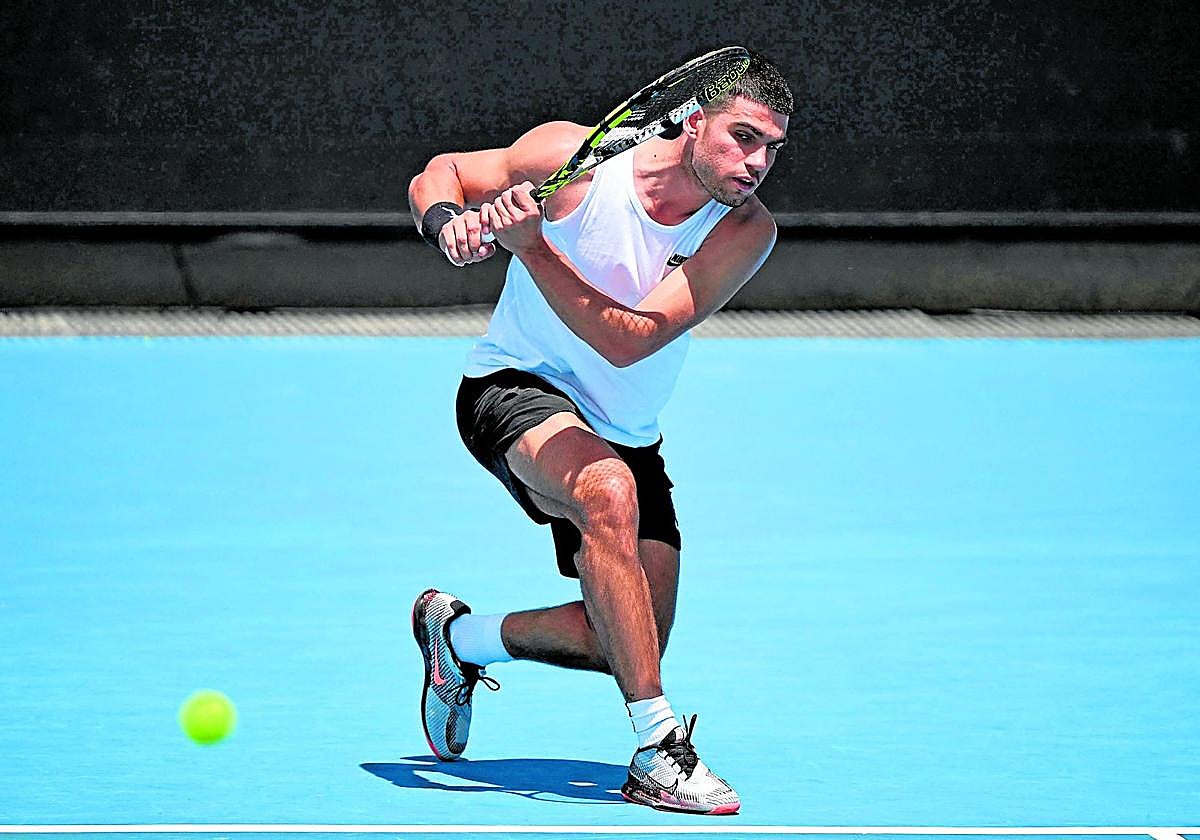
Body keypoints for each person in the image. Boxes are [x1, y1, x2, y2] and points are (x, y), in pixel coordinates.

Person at [407, 49, 792, 816]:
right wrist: (450, 225)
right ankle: (658, 750)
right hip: (513, 388)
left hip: (626, 425)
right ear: (692, 121)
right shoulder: (571, 160)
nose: (756, 163)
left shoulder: (746, 231)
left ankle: (460, 639)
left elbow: (630, 340)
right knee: (606, 492)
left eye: (772, 149)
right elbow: (441, 171)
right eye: (742, 137)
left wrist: (534, 250)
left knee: (625, 639)